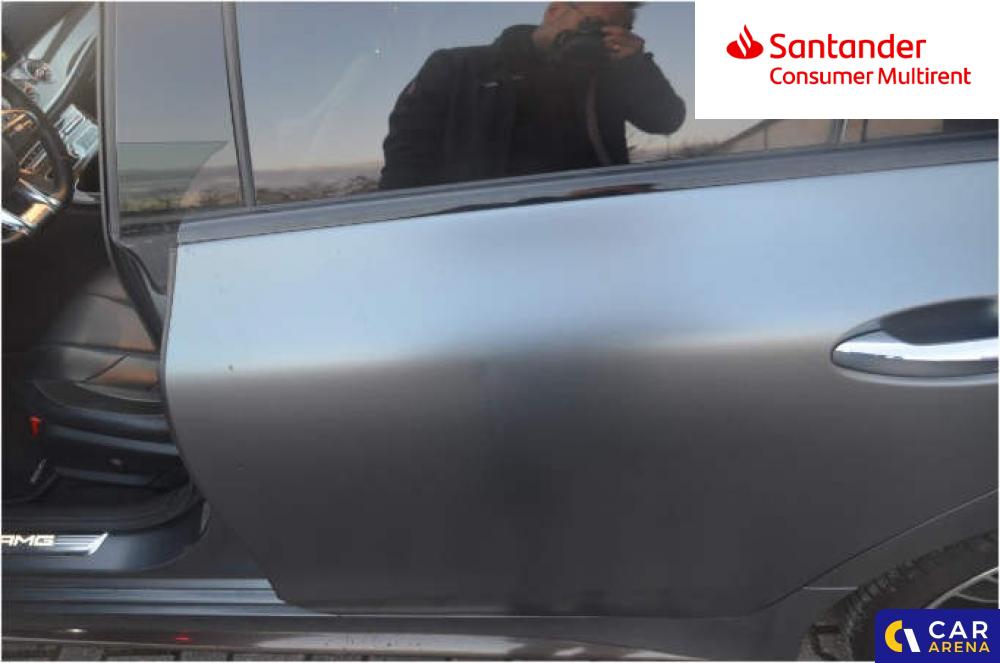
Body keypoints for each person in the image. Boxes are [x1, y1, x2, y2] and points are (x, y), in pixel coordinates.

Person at [380, 2, 686, 190]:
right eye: (592, 25)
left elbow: (665, 121)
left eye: (614, 32)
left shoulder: (611, 77)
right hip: (479, 232)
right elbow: (406, 161)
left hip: (592, 227)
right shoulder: (457, 68)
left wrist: (636, 66)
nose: (598, 37)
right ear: (555, 11)